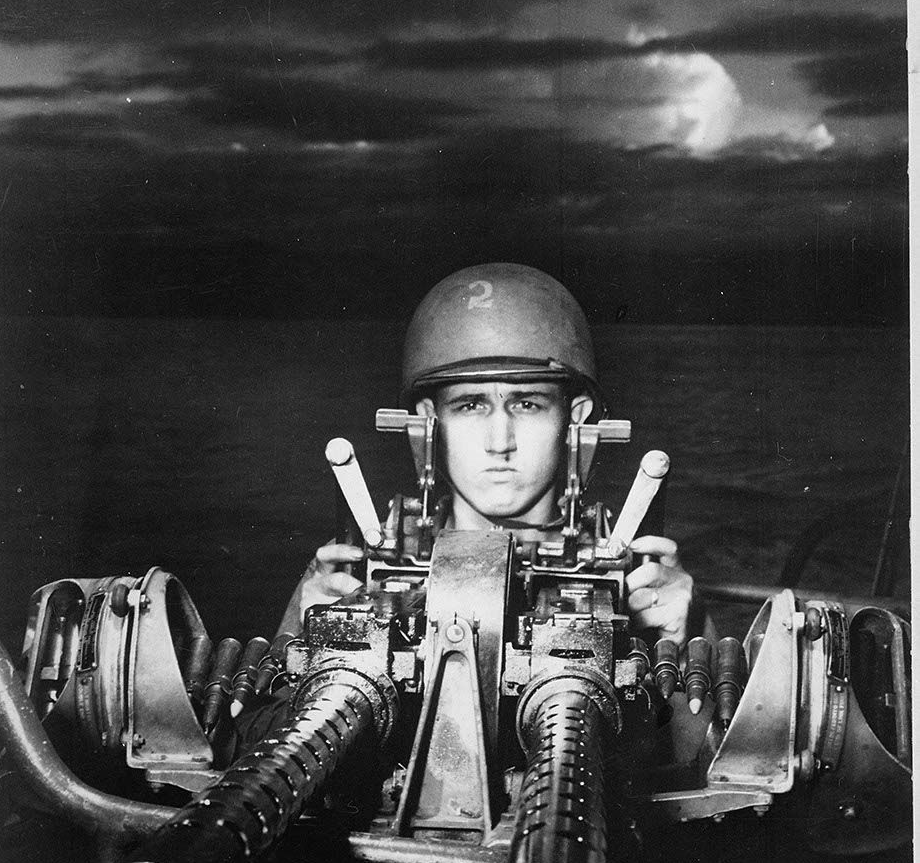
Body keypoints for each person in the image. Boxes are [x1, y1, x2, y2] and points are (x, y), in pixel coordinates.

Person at [278, 262, 699, 644]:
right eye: (470, 405)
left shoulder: (639, 577)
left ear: (576, 420)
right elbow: (258, 724)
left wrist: (679, 645)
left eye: (527, 404)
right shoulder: (357, 567)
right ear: (427, 421)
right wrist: (304, 639)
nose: (500, 441)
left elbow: (721, 728)